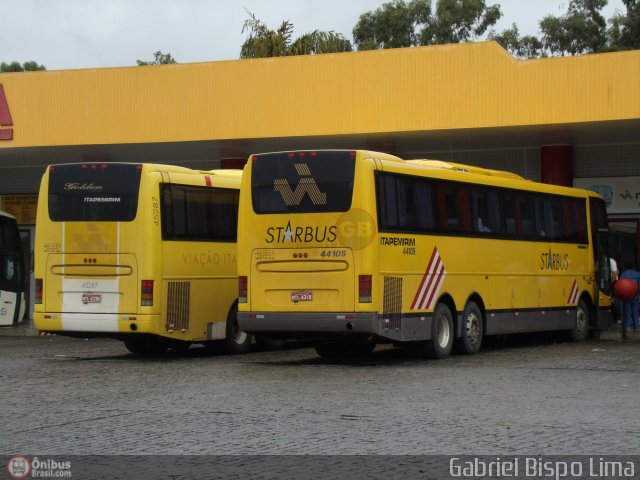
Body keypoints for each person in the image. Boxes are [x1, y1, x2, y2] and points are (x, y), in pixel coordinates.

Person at [619, 260, 640, 333]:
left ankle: (627, 328)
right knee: (635, 311)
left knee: (627, 311)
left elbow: (620, 284)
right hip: (635, 295)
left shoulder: (624, 274)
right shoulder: (638, 274)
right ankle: (636, 328)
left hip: (626, 295)